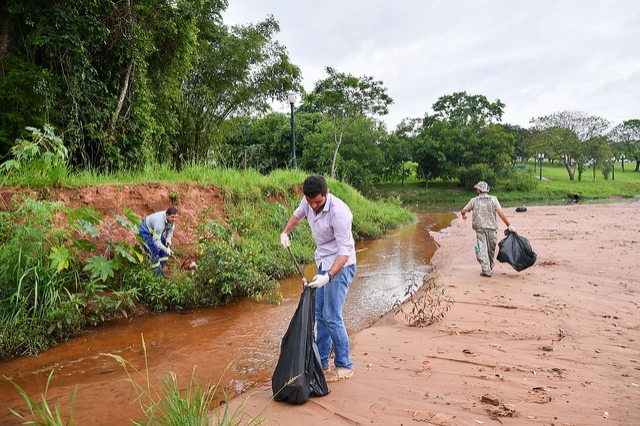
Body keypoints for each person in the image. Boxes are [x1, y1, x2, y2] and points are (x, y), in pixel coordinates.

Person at [280, 175, 357, 383]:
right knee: (319, 315)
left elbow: (345, 253)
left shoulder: (339, 213)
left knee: (332, 315)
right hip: (323, 261)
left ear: (327, 194)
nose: (313, 206)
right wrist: (285, 232)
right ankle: (321, 361)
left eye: (318, 202)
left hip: (341, 266)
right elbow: (297, 216)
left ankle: (344, 364)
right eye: (310, 201)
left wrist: (329, 276)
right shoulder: (308, 202)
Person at [460, 181, 514, 277]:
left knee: (483, 248)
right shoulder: (494, 199)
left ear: (479, 190)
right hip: (492, 227)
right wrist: (509, 225)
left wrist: (464, 216)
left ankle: (487, 267)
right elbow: (500, 213)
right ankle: (487, 269)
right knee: (491, 249)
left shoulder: (474, 200)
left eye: (477, 189)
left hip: (479, 227)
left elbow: (463, 211)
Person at [138, 207, 178, 275]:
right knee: (154, 252)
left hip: (155, 232)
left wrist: (168, 239)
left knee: (164, 248)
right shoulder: (159, 222)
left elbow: (170, 230)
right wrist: (166, 249)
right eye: (172, 217)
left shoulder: (172, 221)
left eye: (176, 217)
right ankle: (156, 275)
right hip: (145, 232)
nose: (174, 219)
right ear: (167, 215)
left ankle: (160, 269)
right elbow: (156, 241)